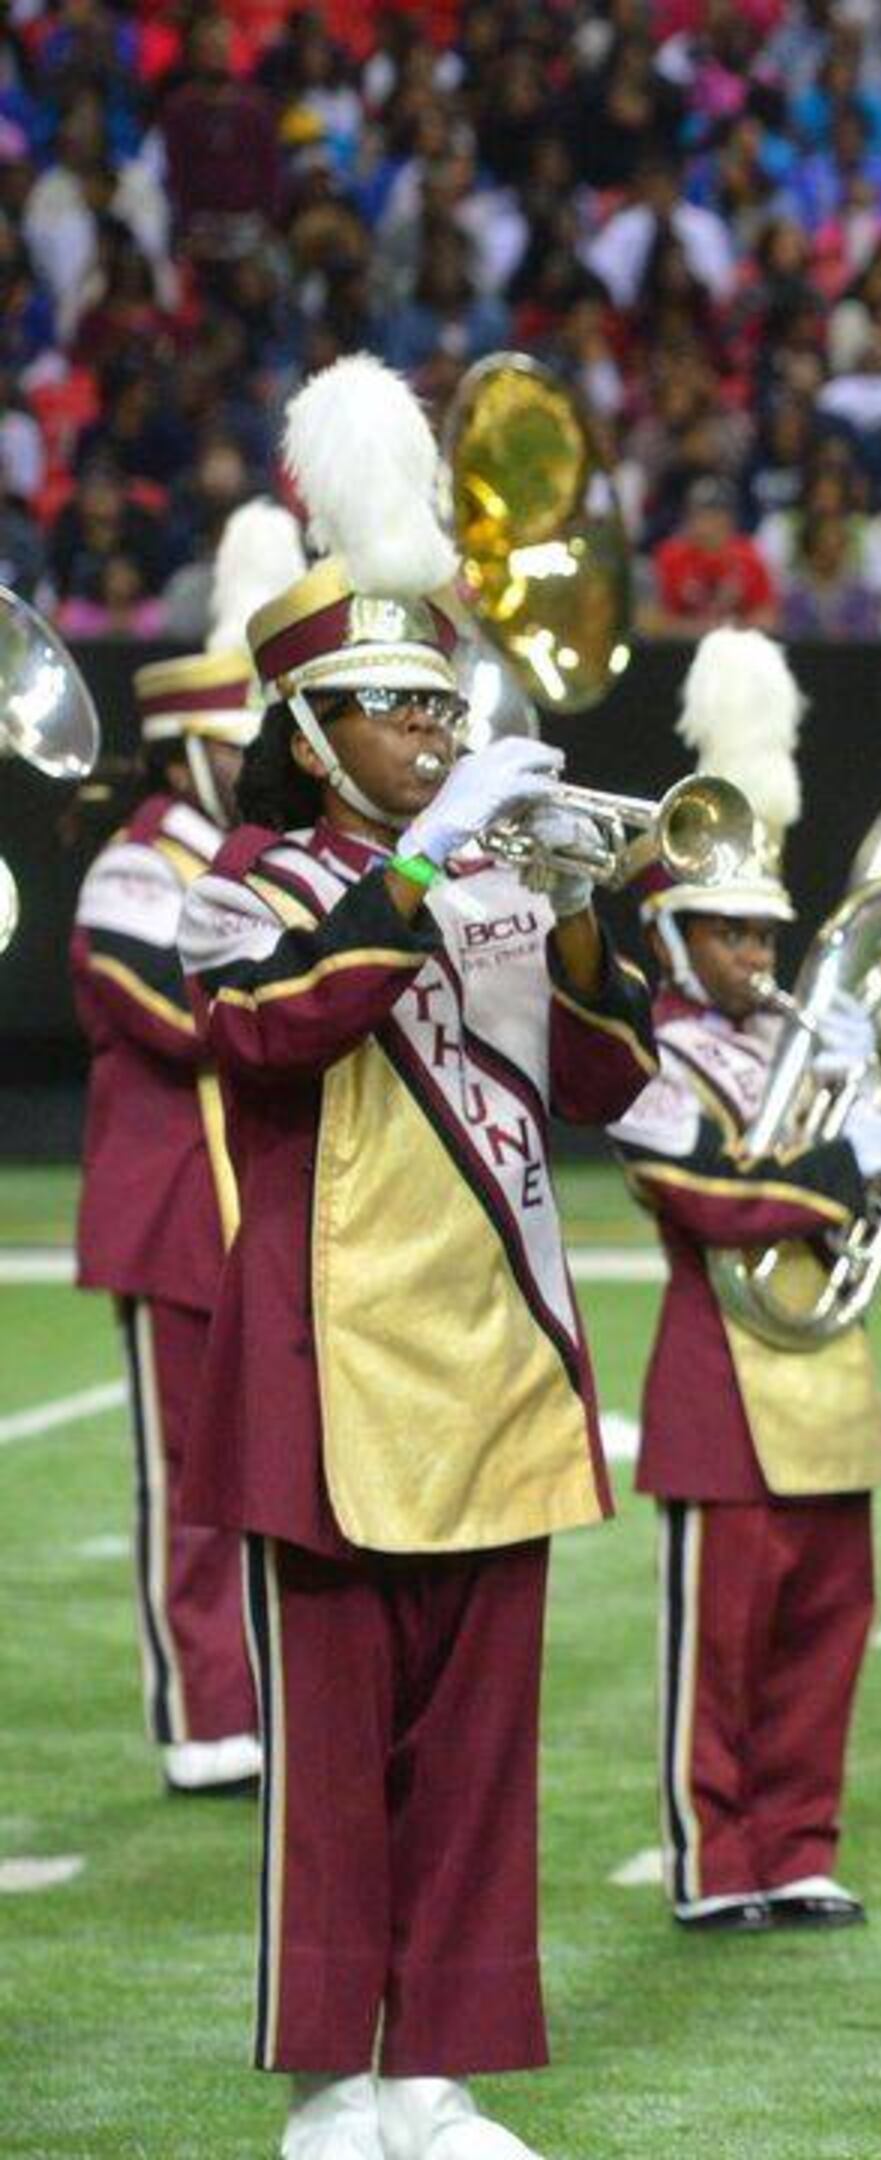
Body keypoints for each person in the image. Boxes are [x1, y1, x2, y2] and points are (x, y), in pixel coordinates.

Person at [179, 356, 660, 2160]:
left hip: (497, 1349)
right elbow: (262, 1026)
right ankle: (330, 2085)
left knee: (476, 1755)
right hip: (330, 1362)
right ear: (308, 732)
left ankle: (436, 2075)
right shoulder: (256, 875)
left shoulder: (490, 875)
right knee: (338, 1759)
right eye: (389, 712)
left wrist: (590, 911)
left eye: (436, 703)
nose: (429, 735)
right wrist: (419, 880)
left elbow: (606, 1080)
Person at [608, 630, 881, 1932]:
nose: (756, 958)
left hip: (821, 1361)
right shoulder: (650, 1061)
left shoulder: (796, 1040)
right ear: (674, 937)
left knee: (828, 1622)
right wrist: (847, 1156)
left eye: (763, 936)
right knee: (725, 1641)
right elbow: (702, 1196)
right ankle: (715, 1858)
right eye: (729, 937)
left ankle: (798, 1842)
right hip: (718, 1377)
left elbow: (811, 1166)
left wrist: (867, 1094)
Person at [77, 498, 295, 1797]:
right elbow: (173, 1013)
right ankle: (204, 1708)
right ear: (185, 752)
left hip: (249, 1214)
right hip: (171, 1217)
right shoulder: (135, 864)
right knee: (185, 1476)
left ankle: (261, 1688)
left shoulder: (247, 863)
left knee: (267, 1470)